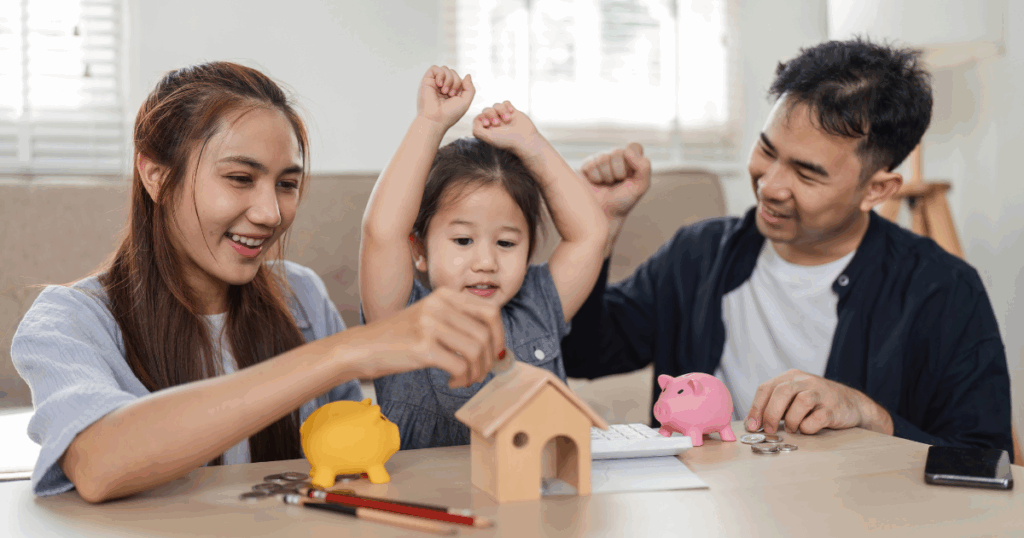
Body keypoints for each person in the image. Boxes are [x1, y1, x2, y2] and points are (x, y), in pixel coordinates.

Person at [11, 62, 505, 503]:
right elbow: (99, 465)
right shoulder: (70, 321)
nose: (271, 214)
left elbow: (350, 455)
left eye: (287, 184)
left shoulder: (301, 295)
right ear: (156, 175)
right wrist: (347, 352)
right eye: (241, 178)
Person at [561, 38, 1014, 456]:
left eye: (807, 173)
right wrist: (595, 231)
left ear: (877, 189)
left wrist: (870, 415)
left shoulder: (943, 289)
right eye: (766, 150)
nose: (770, 186)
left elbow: (985, 458)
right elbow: (583, 352)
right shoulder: (697, 254)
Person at [360, 66, 607, 449]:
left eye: (506, 244)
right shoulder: (398, 319)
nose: (486, 262)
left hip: (533, 503)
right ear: (419, 250)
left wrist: (533, 145)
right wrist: (430, 121)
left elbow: (590, 235)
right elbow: (382, 231)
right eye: (462, 240)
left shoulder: (537, 307)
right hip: (428, 505)